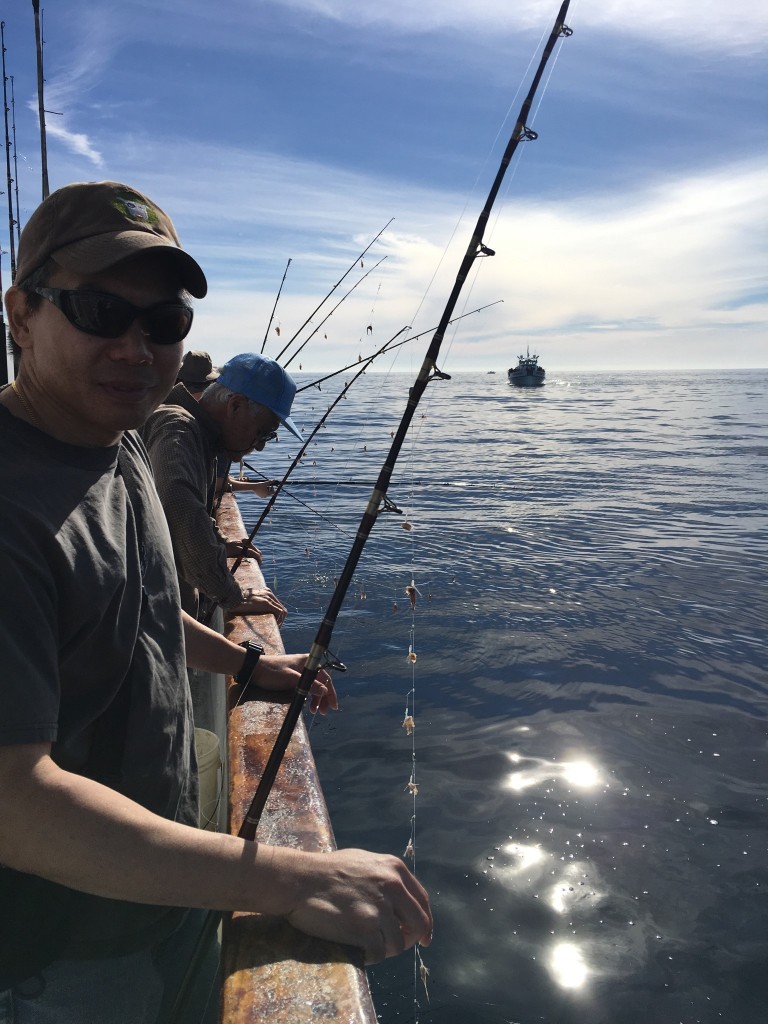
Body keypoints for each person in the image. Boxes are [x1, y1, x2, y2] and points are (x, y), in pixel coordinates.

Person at [0, 180, 432, 1023]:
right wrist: (289, 875)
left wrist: (252, 662)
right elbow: (14, 800)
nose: (137, 346)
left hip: (157, 894)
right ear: (20, 314)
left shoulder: (113, 444)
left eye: (164, 323)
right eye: (97, 310)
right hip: (65, 956)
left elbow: (149, 608)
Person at [142, 352, 298, 622]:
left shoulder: (202, 437)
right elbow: (179, 509)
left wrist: (220, 543)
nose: (260, 445)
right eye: (263, 431)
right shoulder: (176, 428)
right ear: (235, 405)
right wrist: (233, 596)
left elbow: (194, 505)